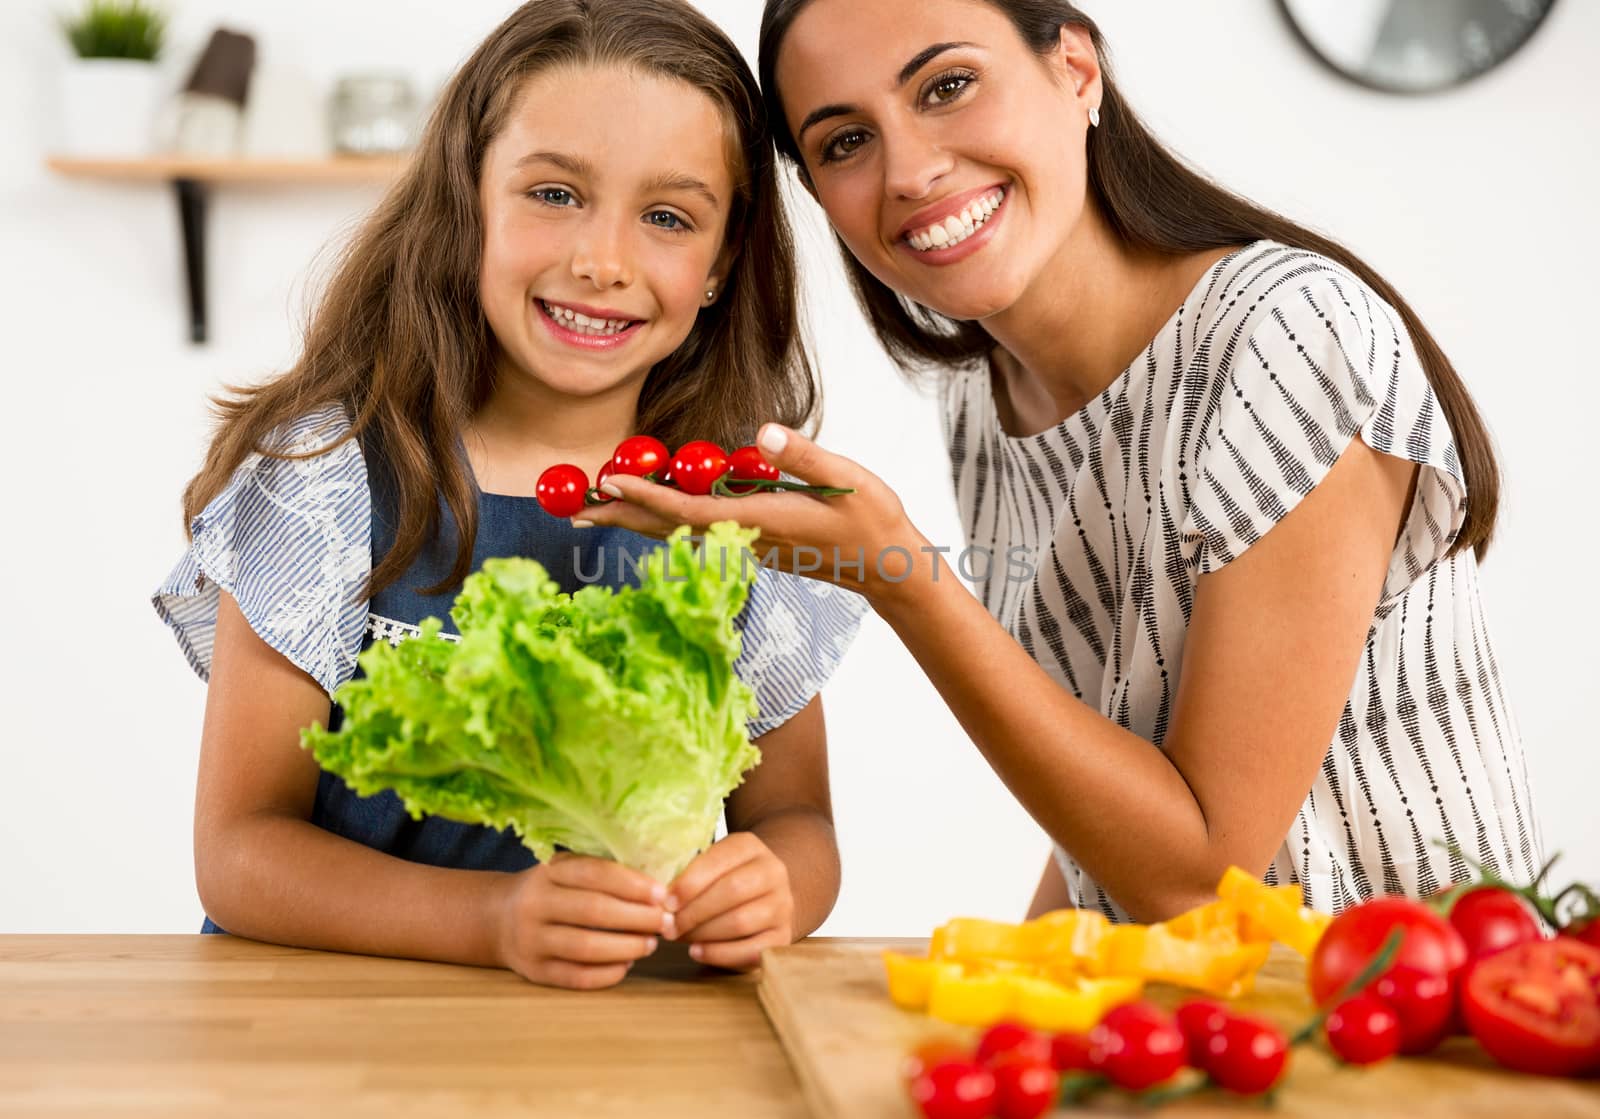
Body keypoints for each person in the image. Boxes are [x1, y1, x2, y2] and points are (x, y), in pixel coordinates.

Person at [576, 0, 1542, 923]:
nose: (908, 169)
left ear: (1075, 69)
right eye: (845, 141)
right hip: (1197, 1028)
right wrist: (1020, 973)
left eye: (947, 85)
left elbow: (1202, 873)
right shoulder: (984, 399)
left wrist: (896, 576)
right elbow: (1121, 790)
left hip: (1413, 1027)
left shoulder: (1287, 334)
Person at [152, 0, 865, 989]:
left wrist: (775, 885)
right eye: (555, 193)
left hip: (615, 1044)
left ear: (720, 263)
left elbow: (798, 825)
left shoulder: (736, 508)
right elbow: (239, 854)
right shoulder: (327, 478)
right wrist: (492, 921)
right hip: (325, 1032)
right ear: (467, 201)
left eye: (667, 216)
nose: (601, 261)